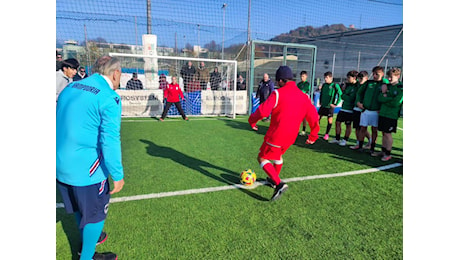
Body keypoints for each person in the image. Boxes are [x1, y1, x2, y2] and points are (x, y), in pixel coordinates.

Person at [56, 55, 125, 260]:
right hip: (87, 169)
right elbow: (110, 139)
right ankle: (86, 256)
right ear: (116, 73)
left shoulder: (71, 87)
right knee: (95, 214)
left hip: (60, 163)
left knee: (79, 207)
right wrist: (117, 174)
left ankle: (89, 238)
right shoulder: (109, 97)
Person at [248, 66, 320, 201]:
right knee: (278, 155)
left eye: (277, 81)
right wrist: (313, 135)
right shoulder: (304, 96)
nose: (276, 83)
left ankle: (278, 183)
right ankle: (272, 179)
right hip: (292, 136)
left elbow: (263, 111)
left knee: (262, 157)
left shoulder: (278, 94)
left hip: (277, 134)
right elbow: (313, 116)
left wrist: (252, 121)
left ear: (281, 80)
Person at [355, 66, 389, 153]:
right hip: (366, 110)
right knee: (363, 128)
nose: (374, 76)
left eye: (377, 74)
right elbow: (359, 93)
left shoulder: (384, 84)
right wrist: (358, 102)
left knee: (374, 130)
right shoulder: (368, 83)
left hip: (376, 112)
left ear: (382, 74)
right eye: (373, 74)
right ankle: (360, 146)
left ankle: (372, 147)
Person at [372, 68, 403, 161]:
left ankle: (388, 153)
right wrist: (386, 96)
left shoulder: (400, 88)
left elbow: (396, 103)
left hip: (391, 115)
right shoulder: (387, 87)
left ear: (398, 76)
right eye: (388, 77)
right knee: (383, 133)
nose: (389, 79)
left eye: (391, 77)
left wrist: (386, 98)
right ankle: (383, 150)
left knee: (388, 134)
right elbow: (380, 98)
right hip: (383, 113)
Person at [329, 70, 359, 146]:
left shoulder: (356, 87)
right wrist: (345, 94)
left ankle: (345, 139)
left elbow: (350, 98)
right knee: (337, 122)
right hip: (343, 108)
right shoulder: (347, 86)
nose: (348, 79)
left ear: (354, 78)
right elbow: (343, 96)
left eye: (349, 77)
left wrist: (345, 95)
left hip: (350, 109)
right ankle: (337, 138)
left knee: (348, 125)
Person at [350, 71, 371, 150]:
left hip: (363, 109)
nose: (360, 80)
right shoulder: (357, 85)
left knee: (362, 128)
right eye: (359, 78)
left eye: (361, 78)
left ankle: (369, 141)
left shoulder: (369, 86)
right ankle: (358, 143)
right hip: (356, 108)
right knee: (357, 127)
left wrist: (363, 106)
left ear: (366, 78)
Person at [318, 71, 342, 140]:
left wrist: (336, 104)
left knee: (329, 121)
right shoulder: (324, 85)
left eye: (327, 77)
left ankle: (326, 134)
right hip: (323, 106)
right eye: (325, 77)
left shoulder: (335, 85)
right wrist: (320, 101)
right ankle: (315, 132)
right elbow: (321, 93)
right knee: (317, 119)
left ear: (331, 78)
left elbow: (340, 94)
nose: (325, 79)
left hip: (330, 107)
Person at [297, 70, 311, 136]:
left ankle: (303, 130)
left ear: (306, 76)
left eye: (303, 76)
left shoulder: (307, 84)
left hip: (305, 102)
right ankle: (296, 129)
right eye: (301, 76)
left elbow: (303, 91)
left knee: (304, 117)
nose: (302, 78)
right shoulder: (299, 84)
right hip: (299, 101)